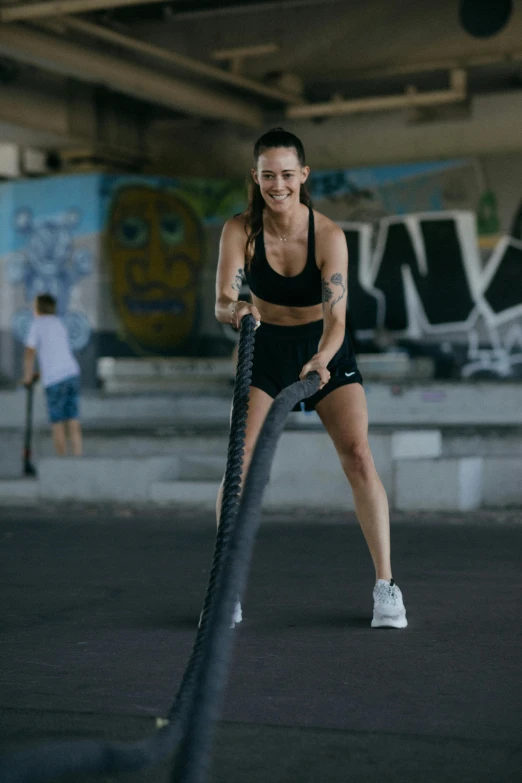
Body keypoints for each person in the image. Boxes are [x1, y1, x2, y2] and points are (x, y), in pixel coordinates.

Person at [215, 128, 407, 629]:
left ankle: (387, 586)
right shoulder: (239, 231)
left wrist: (323, 358)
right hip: (263, 347)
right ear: (255, 179)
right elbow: (222, 300)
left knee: (359, 455)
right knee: (239, 464)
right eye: (267, 176)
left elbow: (337, 318)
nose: (277, 185)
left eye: (286, 175)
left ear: (303, 176)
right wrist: (236, 311)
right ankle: (224, 590)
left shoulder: (329, 235)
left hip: (323, 346)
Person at [23, 293, 83, 457]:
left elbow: (29, 353)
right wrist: (41, 373)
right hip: (71, 374)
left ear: (38, 308)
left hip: (55, 380)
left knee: (57, 422)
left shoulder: (37, 325)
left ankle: (62, 462)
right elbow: (58, 354)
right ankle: (78, 458)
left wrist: (28, 377)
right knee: (73, 419)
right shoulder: (59, 323)